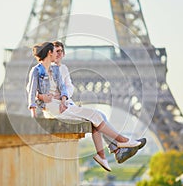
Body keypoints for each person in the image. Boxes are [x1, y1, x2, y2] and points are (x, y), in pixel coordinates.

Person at [26, 42, 143, 172]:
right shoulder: (36, 70)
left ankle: (104, 155)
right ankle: (121, 141)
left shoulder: (56, 69)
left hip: (62, 104)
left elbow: (64, 87)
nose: (57, 54)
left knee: (95, 117)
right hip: (51, 107)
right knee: (95, 115)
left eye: (60, 51)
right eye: (55, 51)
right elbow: (31, 91)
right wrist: (35, 112)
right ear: (49, 53)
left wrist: (64, 100)